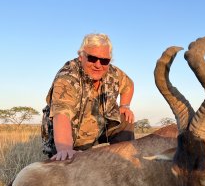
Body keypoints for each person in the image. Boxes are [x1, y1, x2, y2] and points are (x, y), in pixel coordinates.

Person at [42, 33, 135, 161]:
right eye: (92, 58)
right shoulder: (67, 77)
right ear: (81, 56)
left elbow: (129, 85)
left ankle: (124, 161)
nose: (98, 65)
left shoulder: (113, 72)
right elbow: (61, 115)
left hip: (97, 129)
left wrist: (125, 106)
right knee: (66, 163)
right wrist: (65, 149)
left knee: (125, 117)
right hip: (68, 136)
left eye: (104, 60)